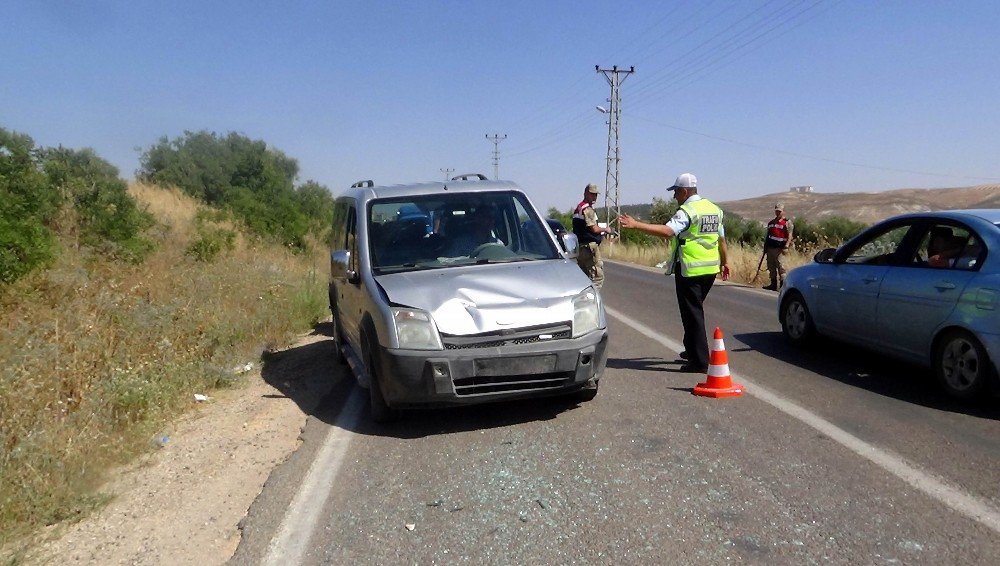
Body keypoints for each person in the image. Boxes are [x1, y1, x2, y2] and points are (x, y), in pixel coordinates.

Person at [619, 173, 729, 373]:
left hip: (690, 269)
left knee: (692, 314)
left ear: (685, 191)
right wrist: (725, 262)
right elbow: (721, 240)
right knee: (694, 310)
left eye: (676, 192)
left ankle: (699, 362)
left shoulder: (687, 211)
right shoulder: (714, 209)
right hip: (711, 269)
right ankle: (692, 349)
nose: (674, 197)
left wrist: (636, 225)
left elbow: (668, 231)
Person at [572, 183, 614, 289]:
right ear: (586, 193)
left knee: (584, 276)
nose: (594, 197)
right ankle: (592, 300)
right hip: (589, 247)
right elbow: (594, 228)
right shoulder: (587, 209)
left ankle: (582, 300)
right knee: (597, 277)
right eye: (592, 194)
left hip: (581, 246)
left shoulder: (580, 207)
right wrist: (606, 229)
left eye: (595, 194)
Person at [763, 203, 794, 290]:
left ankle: (782, 286)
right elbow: (768, 236)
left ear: (783, 211)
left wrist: (786, 246)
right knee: (771, 267)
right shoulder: (771, 223)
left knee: (781, 267)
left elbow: (790, 235)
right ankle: (773, 285)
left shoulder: (787, 223)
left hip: (780, 249)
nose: (778, 213)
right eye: (776, 211)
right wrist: (765, 247)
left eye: (779, 211)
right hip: (770, 248)